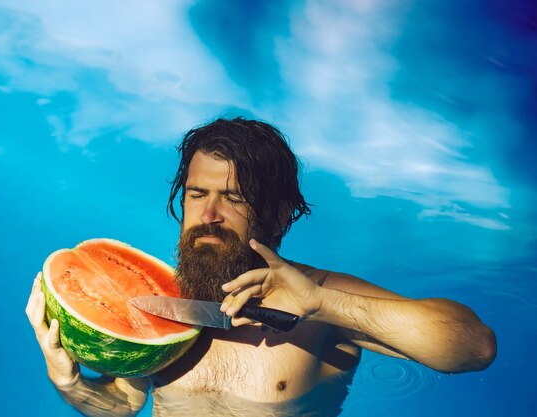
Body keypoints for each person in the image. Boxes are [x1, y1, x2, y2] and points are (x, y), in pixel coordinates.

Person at [26, 117, 496, 417]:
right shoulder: (166, 300)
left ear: (276, 213)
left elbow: (473, 348)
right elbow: (123, 405)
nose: (208, 215)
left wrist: (324, 305)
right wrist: (69, 383)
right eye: (196, 195)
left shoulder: (324, 295)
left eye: (232, 198)